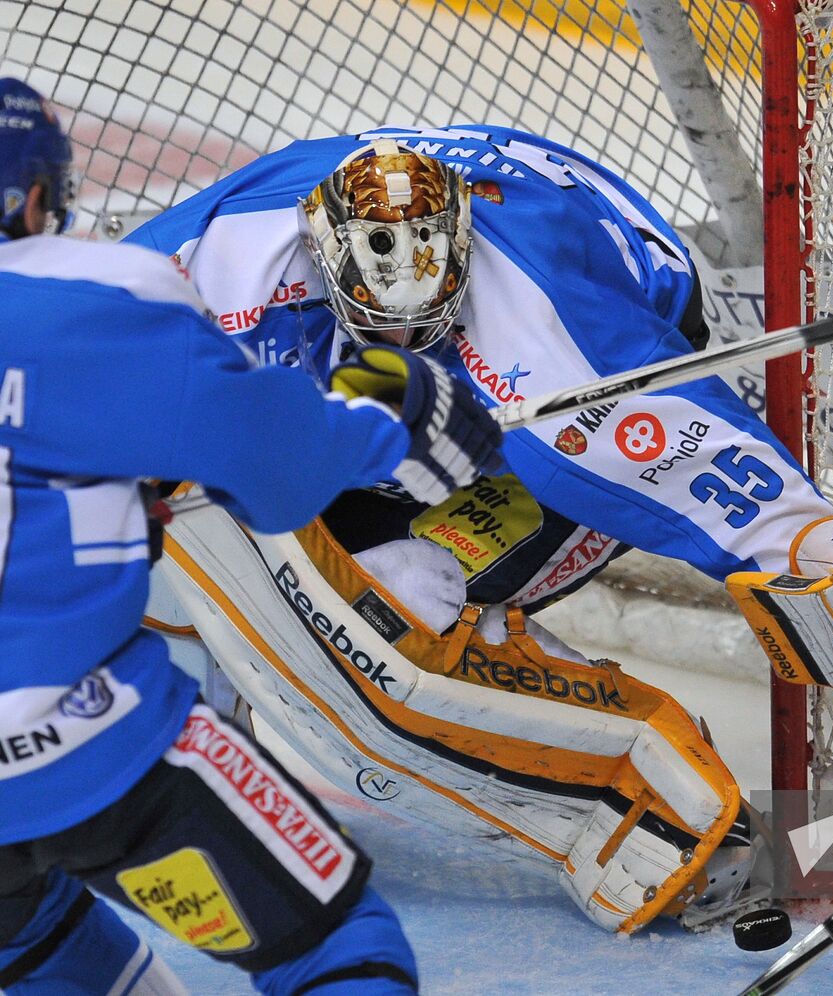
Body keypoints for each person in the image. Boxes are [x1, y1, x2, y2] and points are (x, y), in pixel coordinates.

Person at [126, 126, 833, 932]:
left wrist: (830, 557)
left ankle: (655, 807)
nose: (407, 324)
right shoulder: (205, 270)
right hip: (367, 387)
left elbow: (673, 445)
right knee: (170, 538)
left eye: (425, 318)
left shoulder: (535, 316)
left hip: (582, 350)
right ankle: (186, 763)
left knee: (403, 607)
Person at [0, 77, 503, 993]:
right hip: (89, 755)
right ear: (37, 196)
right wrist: (394, 408)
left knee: (38, 944)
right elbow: (279, 476)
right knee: (339, 949)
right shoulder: (91, 291)